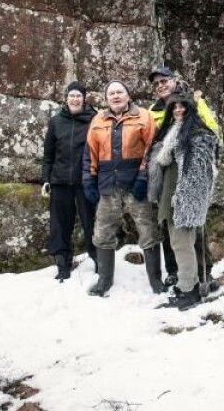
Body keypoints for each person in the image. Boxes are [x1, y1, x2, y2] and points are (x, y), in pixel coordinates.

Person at [82, 80, 160, 297]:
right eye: (111, 93)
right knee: (102, 233)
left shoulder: (144, 117)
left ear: (128, 95)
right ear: (106, 98)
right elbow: (89, 154)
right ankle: (104, 281)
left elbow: (152, 150)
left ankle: (156, 281)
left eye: (120, 92)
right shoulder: (98, 120)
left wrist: (143, 179)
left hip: (135, 185)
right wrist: (89, 181)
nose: (116, 96)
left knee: (148, 231)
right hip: (108, 186)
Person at [147, 67, 220, 290]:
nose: (161, 86)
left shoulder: (193, 102)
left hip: (189, 171)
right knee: (169, 228)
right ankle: (176, 272)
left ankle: (203, 274)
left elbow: (210, 130)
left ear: (173, 80)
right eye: (156, 83)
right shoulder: (153, 111)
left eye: (164, 81)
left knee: (192, 228)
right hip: (167, 174)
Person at [41, 81, 97, 282]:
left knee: (91, 222)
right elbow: (48, 155)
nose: (75, 99)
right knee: (60, 224)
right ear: (66, 98)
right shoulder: (56, 122)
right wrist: (46, 179)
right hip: (60, 181)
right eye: (71, 96)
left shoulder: (94, 119)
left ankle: (99, 260)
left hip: (85, 180)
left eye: (78, 96)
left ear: (84, 99)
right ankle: (63, 264)